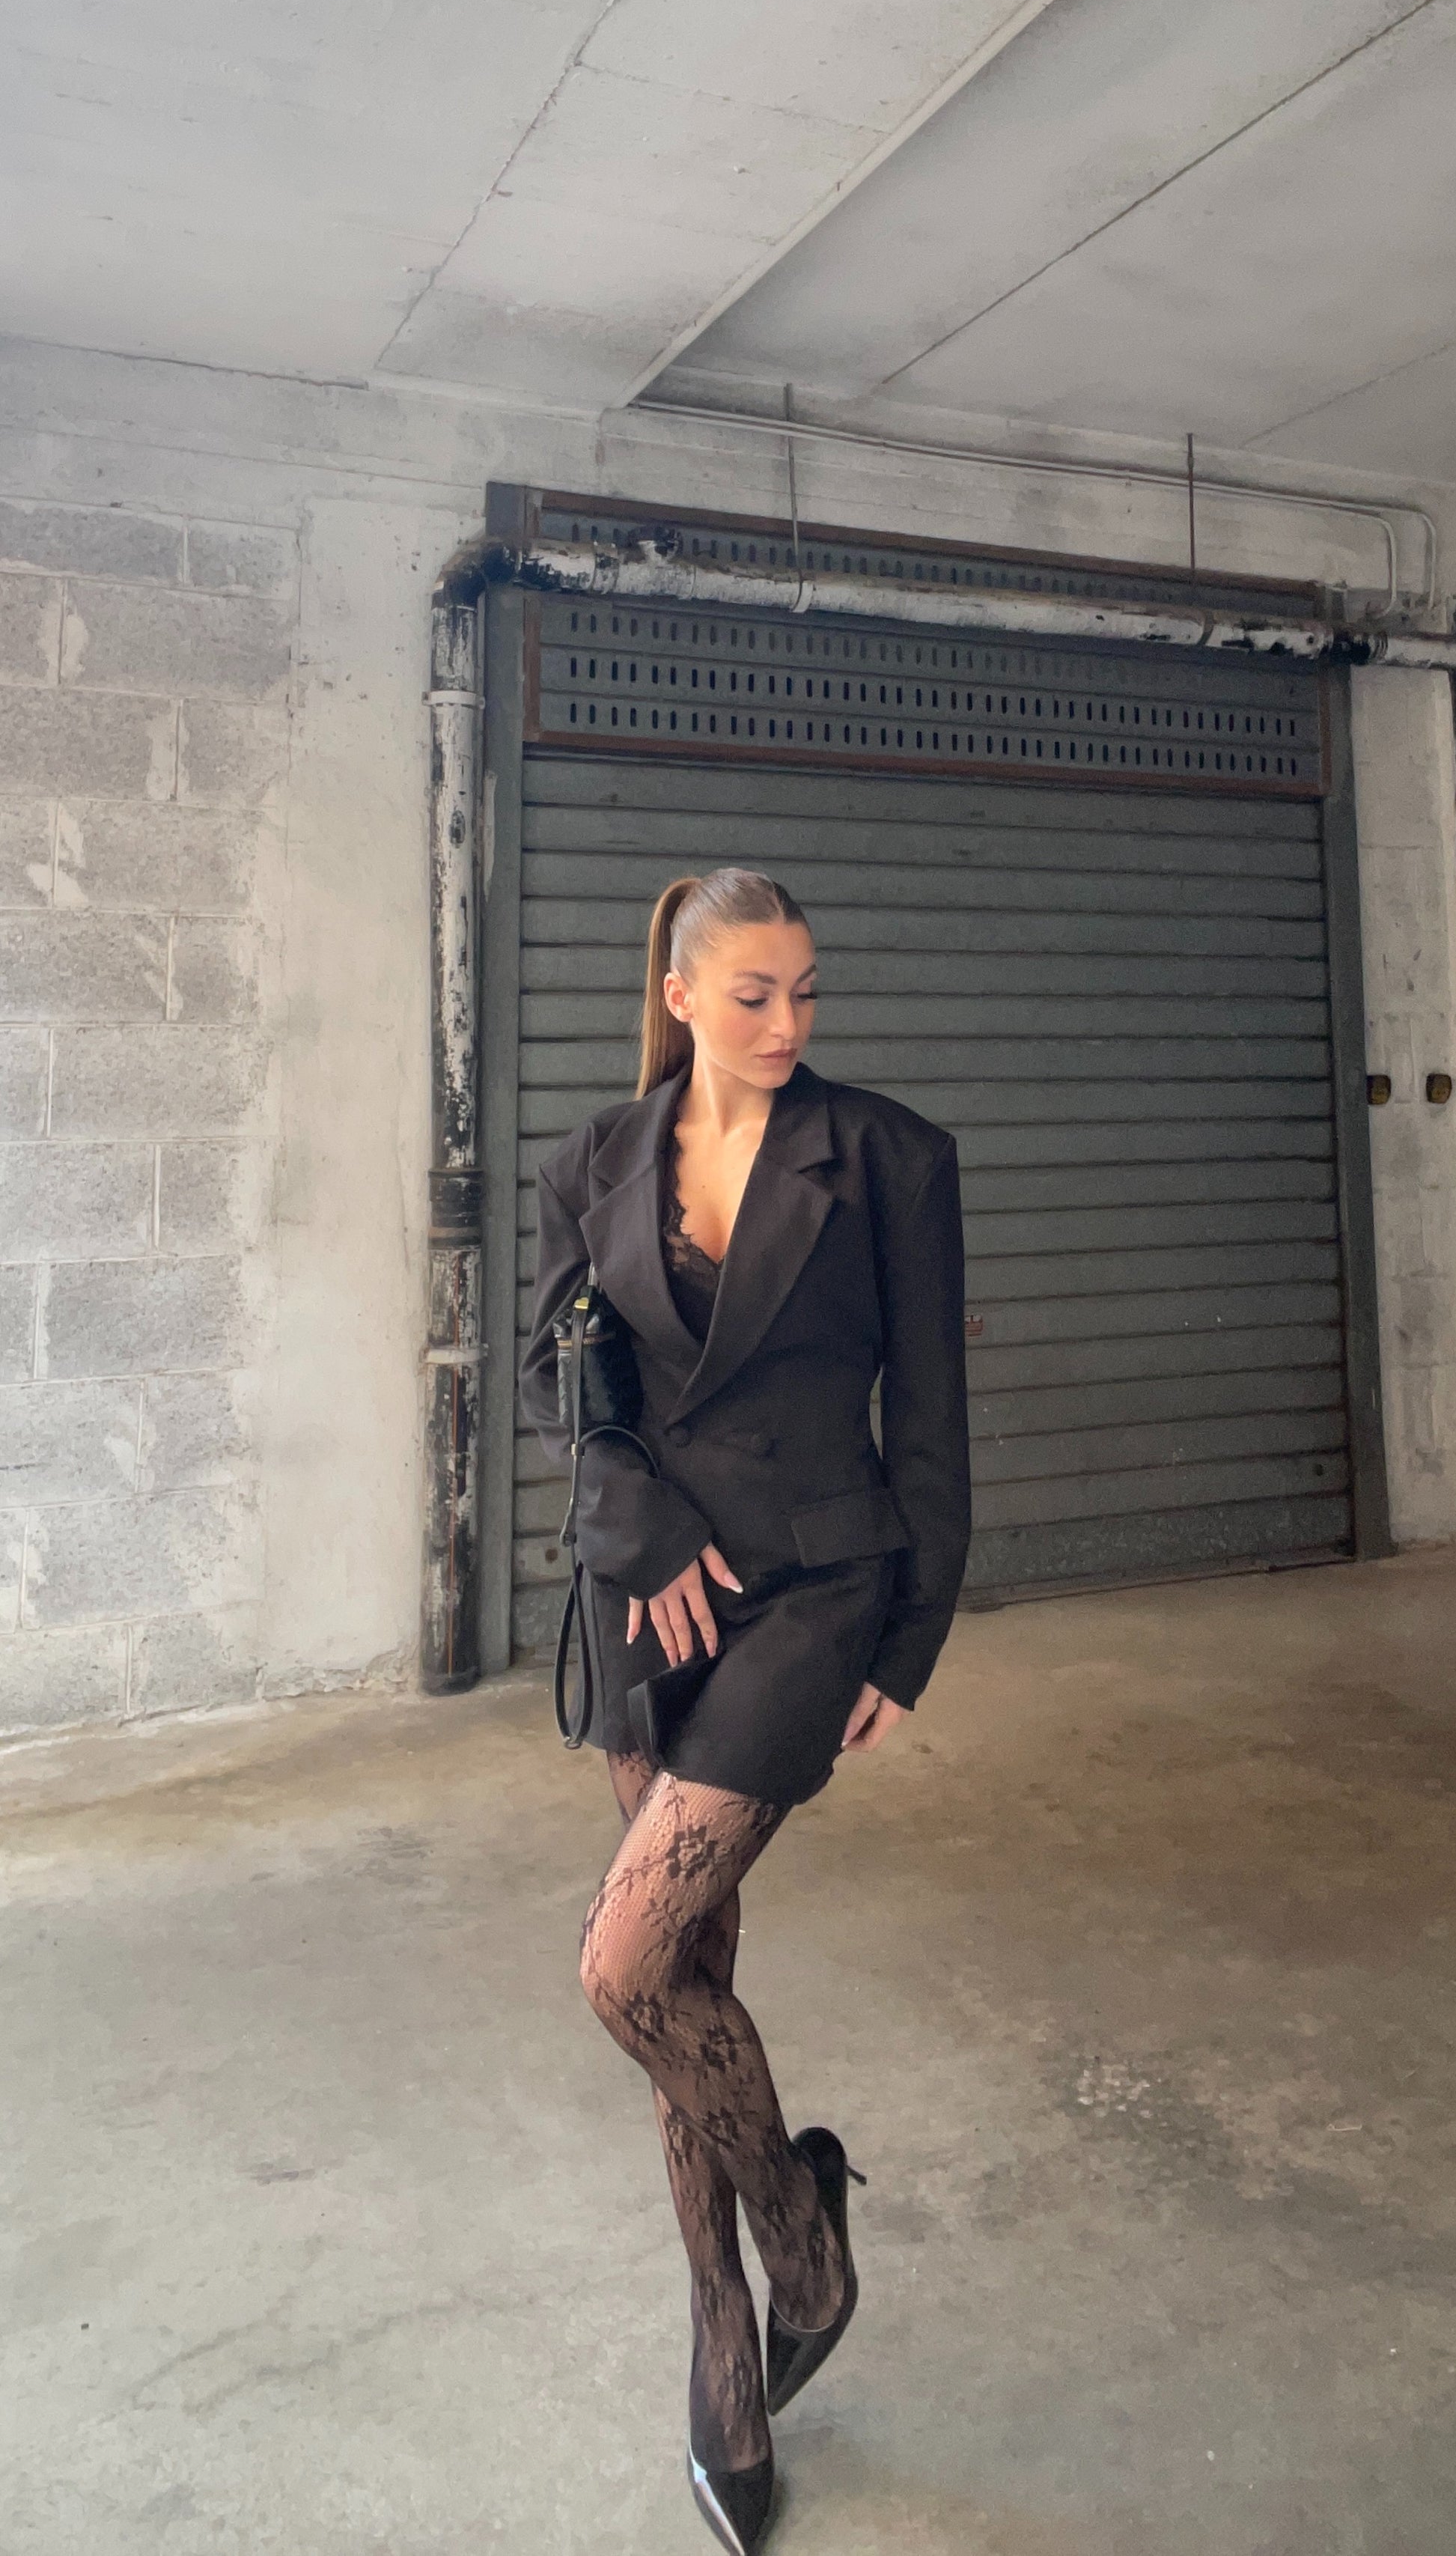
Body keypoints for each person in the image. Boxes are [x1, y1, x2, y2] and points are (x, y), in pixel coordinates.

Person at [520, 867, 971, 2553]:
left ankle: (797, 2227)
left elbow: (932, 1415)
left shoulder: (888, 1158)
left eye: (807, 992)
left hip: (808, 1592)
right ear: (684, 995)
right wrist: (633, 1526)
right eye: (757, 994)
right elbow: (564, 1377)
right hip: (647, 1596)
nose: (790, 1022)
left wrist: (908, 1638)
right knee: (687, 1979)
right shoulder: (597, 1160)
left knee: (624, 1962)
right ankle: (730, 2317)